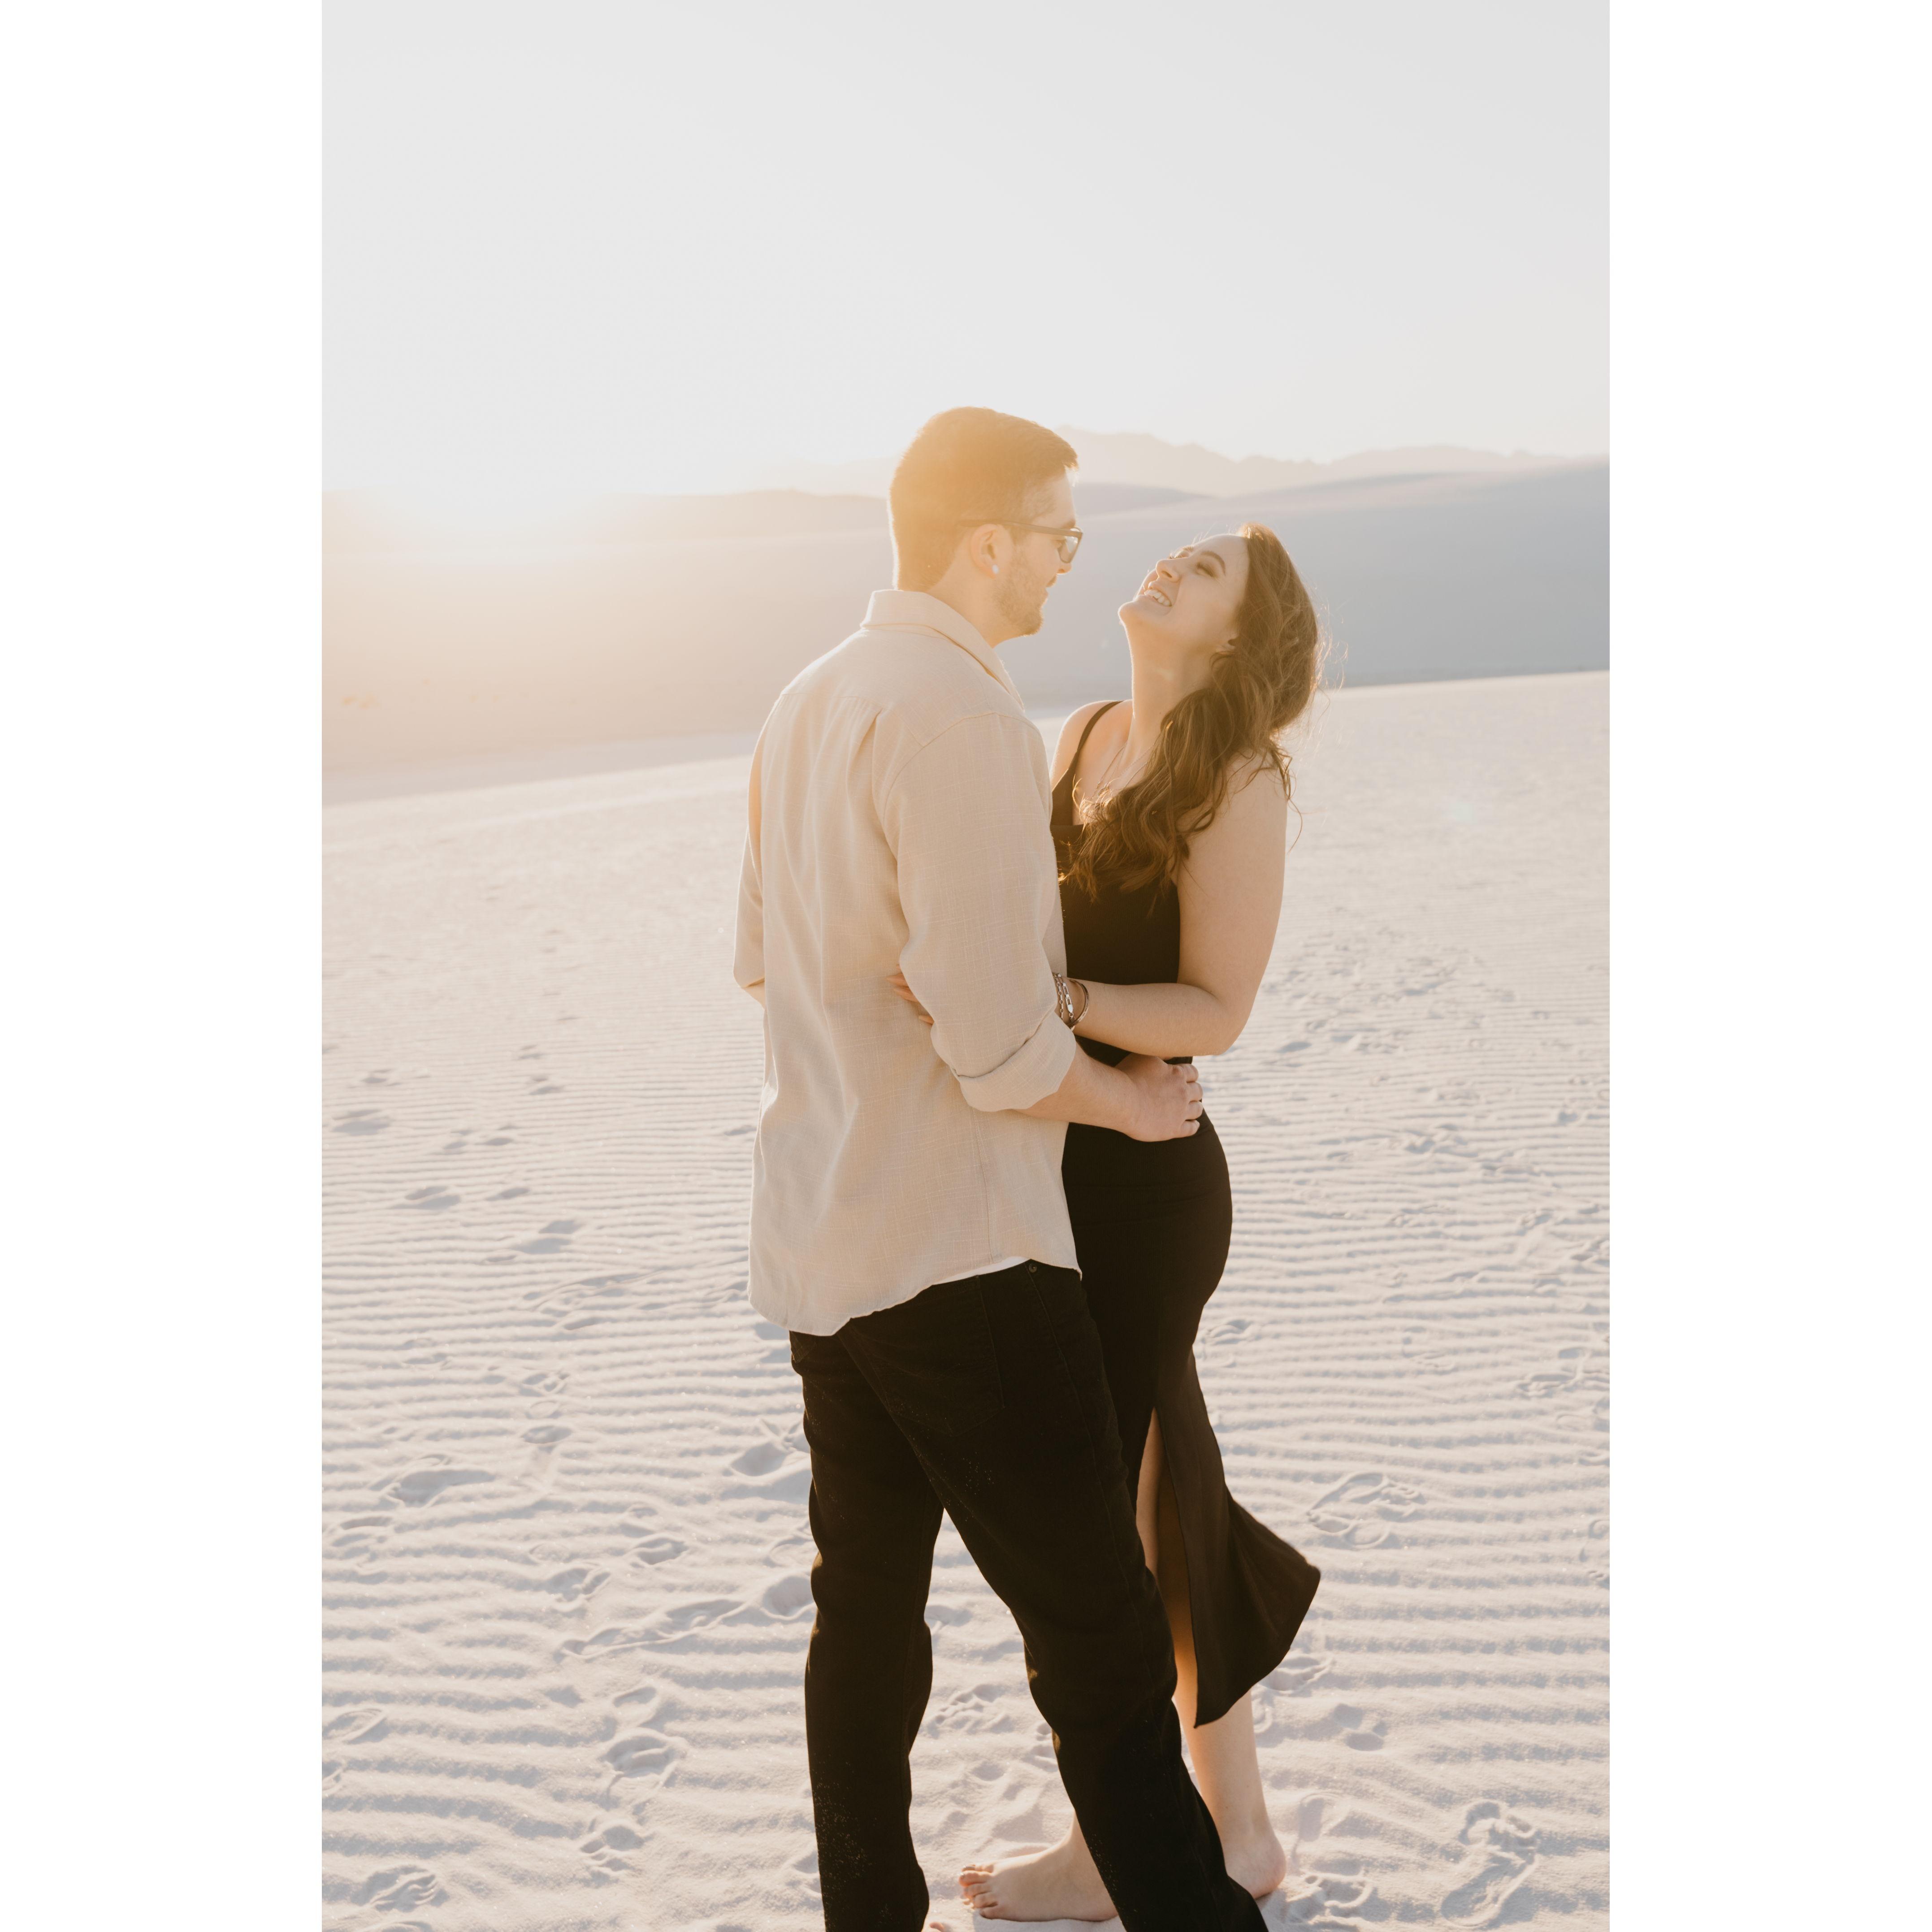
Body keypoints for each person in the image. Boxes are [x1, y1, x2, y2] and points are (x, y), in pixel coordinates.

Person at [734, 407, 1266, 1932]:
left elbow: (765, 961)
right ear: (987, 542)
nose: (1064, 564)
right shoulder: (964, 716)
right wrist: (1128, 1107)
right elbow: (998, 1047)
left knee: (865, 1625)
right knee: (1104, 1656)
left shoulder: (805, 699)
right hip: (964, 1255)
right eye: (1057, 537)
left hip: (824, 1247)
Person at [894, 523, 1327, 1922]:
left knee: (1108, 1522)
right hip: (1050, 1165)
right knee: (1156, 1500)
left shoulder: (1237, 775)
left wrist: (1054, 1007)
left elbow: (1217, 1010)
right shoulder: (1082, 734)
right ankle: (1237, 1831)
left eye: (1208, 574)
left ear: (1235, 637)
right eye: (1180, 553)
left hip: (1146, 1183)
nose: (1169, 570)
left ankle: (1114, 1844)